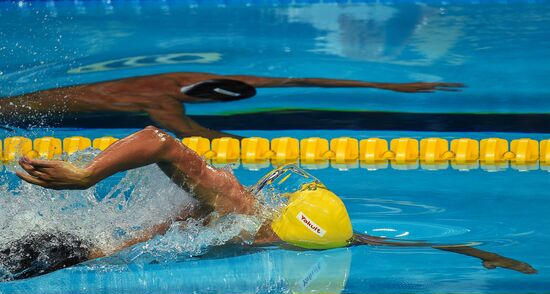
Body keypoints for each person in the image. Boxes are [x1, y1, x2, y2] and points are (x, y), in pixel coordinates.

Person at [8, 126, 535, 281]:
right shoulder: (243, 213)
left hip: (81, 250)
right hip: (73, 248)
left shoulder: (284, 231)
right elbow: (158, 140)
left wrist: (470, 252)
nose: (274, 192)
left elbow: (358, 239)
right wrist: (84, 177)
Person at [0, 72, 463, 138]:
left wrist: (387, 87)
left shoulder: (178, 80)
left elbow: (295, 79)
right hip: (13, 111)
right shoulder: (159, 100)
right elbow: (197, 136)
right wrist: (248, 141)